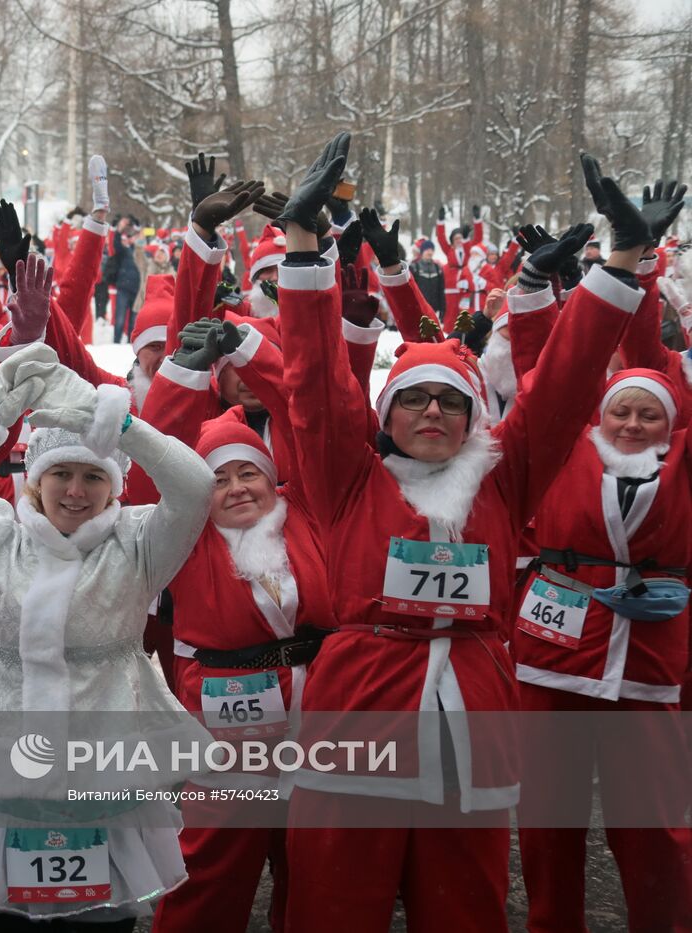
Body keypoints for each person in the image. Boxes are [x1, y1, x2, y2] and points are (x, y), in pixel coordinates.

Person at [276, 135, 658, 931]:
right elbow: (313, 383)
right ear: (387, 415)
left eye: (451, 402)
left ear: (472, 416)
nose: (432, 414)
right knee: (335, 905)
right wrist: (305, 248)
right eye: (414, 399)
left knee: (466, 907)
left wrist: (620, 264)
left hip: (470, 719)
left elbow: (560, 385)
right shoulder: (351, 478)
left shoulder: (501, 478)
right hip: (360, 717)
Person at [0, 258, 217, 928]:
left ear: (114, 486)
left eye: (91, 477)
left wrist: (118, 424)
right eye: (59, 473)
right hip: (6, 787)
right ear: (33, 479)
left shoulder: (138, 538)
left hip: (106, 782)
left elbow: (196, 486)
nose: (74, 491)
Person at [146, 323, 337, 933]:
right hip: (228, 727)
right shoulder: (187, 537)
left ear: (270, 475)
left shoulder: (306, 510)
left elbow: (304, 414)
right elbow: (159, 454)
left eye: (247, 473)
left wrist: (254, 353)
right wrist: (180, 373)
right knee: (209, 875)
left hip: (321, 720)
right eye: (218, 479)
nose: (236, 488)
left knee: (311, 875)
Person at [512, 361, 692, 929]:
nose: (632, 425)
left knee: (653, 819)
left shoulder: (684, 469)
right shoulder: (565, 449)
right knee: (546, 814)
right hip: (551, 658)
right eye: (622, 410)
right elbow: (549, 371)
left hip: (646, 661)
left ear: (672, 425)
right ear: (601, 414)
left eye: (649, 415)